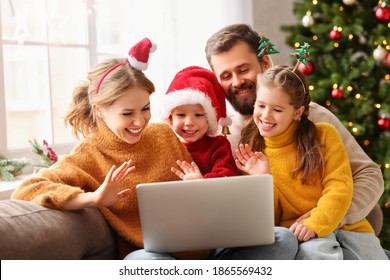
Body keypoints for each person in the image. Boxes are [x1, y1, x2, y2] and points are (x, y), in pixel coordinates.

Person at [10, 38, 298, 260]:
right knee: (144, 264)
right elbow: (26, 190)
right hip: (155, 256)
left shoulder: (161, 132)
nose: (139, 122)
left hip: (211, 249)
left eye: (145, 109)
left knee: (283, 240)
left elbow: (207, 189)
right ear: (99, 110)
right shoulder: (87, 156)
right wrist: (93, 199)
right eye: (127, 114)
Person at [204, 23, 385, 236]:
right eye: (226, 76)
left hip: (322, 232)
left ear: (264, 62)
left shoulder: (314, 119)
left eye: (243, 70)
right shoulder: (221, 132)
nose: (237, 82)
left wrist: (324, 218)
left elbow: (368, 174)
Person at [234, 64, 388, 259]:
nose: (265, 115)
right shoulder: (253, 148)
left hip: (348, 229)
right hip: (300, 236)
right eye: (261, 105)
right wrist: (264, 179)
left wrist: (317, 221)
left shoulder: (324, 135)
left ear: (298, 112)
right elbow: (270, 222)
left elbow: (339, 187)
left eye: (278, 110)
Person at [159, 65, 238, 180]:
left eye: (199, 115)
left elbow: (228, 174)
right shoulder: (166, 145)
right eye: (181, 115)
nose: (189, 122)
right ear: (170, 119)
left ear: (210, 119)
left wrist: (201, 182)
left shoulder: (218, 145)